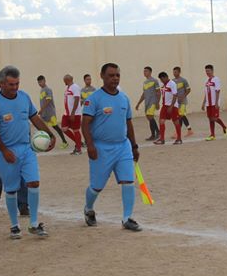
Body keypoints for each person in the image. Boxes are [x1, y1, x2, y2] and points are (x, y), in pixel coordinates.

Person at [0, 65, 56, 239]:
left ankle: (34, 223)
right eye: (11, 84)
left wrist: (50, 134)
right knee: (11, 189)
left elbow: (34, 118)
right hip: (6, 151)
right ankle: (14, 226)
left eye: (17, 83)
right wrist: (3, 150)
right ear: (2, 83)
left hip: (26, 148)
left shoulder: (24, 97)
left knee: (34, 182)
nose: (15, 87)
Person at [81, 63, 142, 232]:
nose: (115, 78)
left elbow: (128, 123)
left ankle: (127, 218)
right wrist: (90, 145)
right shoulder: (94, 99)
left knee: (128, 181)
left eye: (117, 75)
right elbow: (85, 124)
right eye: (111, 75)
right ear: (102, 76)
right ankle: (88, 208)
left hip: (123, 146)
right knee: (97, 186)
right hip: (101, 148)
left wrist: (134, 146)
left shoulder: (124, 98)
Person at [0, 80, 29, 214]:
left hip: (19, 146)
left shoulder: (18, 101)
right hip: (1, 148)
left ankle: (23, 205)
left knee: (21, 173)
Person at [36, 75, 69, 148]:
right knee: (43, 128)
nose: (40, 83)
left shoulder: (48, 90)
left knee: (56, 127)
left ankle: (64, 142)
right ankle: (46, 143)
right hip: (44, 114)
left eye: (41, 81)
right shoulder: (41, 90)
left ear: (44, 81)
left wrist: (41, 109)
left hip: (50, 113)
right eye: (38, 82)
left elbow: (48, 100)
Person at [154, 71, 182, 144]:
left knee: (175, 121)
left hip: (172, 106)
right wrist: (158, 102)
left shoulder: (172, 84)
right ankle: (162, 139)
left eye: (162, 79)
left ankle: (179, 138)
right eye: (160, 80)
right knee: (161, 121)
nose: (161, 81)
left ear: (166, 77)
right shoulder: (163, 85)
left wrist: (171, 106)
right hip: (165, 105)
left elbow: (175, 95)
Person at [201, 64, 227, 139]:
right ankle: (212, 135)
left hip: (214, 102)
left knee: (214, 118)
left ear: (212, 71)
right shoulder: (206, 81)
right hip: (208, 103)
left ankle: (224, 127)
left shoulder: (216, 79)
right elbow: (206, 93)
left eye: (208, 71)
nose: (207, 72)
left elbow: (217, 91)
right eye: (206, 71)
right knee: (210, 118)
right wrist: (203, 103)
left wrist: (216, 102)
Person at [134, 66, 160, 141]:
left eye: (146, 71)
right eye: (144, 71)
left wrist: (157, 102)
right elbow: (144, 94)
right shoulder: (145, 82)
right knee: (149, 117)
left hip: (153, 102)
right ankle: (156, 133)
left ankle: (155, 134)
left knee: (150, 116)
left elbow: (158, 92)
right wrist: (138, 103)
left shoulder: (155, 81)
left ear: (150, 72)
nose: (144, 72)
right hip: (147, 102)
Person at [62, 74, 84, 155]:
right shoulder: (67, 88)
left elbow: (77, 99)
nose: (64, 82)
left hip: (74, 113)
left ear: (67, 80)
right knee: (64, 128)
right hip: (66, 113)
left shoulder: (75, 87)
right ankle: (79, 142)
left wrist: (73, 113)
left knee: (76, 130)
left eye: (64, 80)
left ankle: (78, 149)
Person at [172, 66, 193, 136]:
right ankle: (189, 130)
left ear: (179, 72)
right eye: (173, 72)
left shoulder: (183, 80)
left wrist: (183, 97)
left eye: (176, 72)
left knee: (180, 115)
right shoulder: (172, 81)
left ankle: (178, 133)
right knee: (181, 115)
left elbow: (188, 90)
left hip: (183, 101)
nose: (174, 73)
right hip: (176, 102)